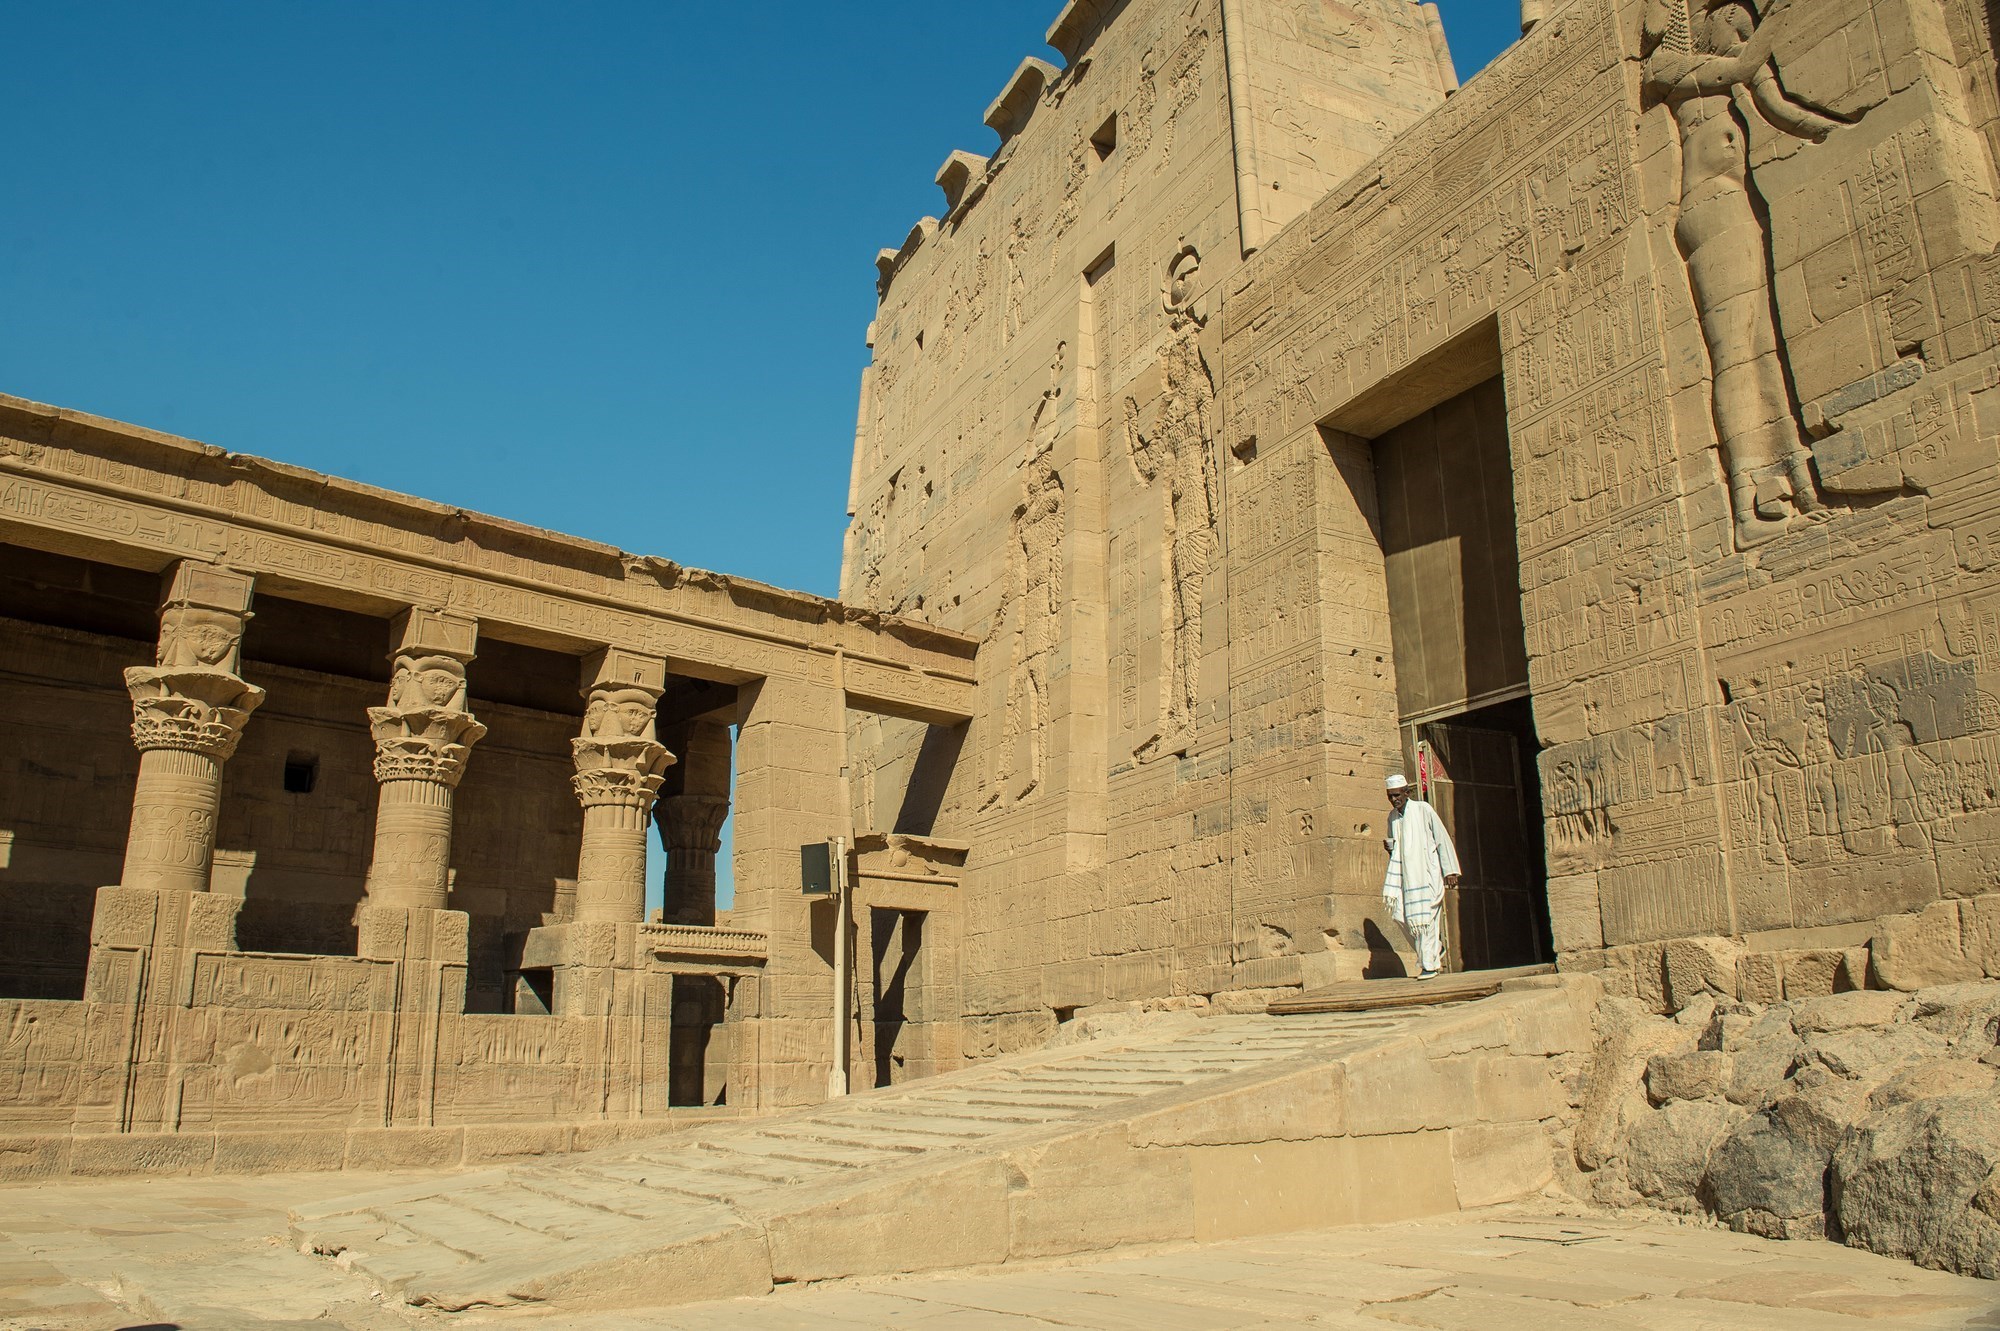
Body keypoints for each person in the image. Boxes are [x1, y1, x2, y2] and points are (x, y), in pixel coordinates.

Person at [1381, 773, 1461, 980]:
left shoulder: (1423, 810)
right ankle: (1436, 949)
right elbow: (1398, 846)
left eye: (1397, 795)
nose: (1394, 799)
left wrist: (1450, 870)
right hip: (1404, 876)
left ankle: (1429, 965)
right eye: (1390, 796)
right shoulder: (1392, 817)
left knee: (1426, 919)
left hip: (1426, 874)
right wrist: (1391, 848)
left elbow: (1441, 837)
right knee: (1400, 914)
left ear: (1407, 793)